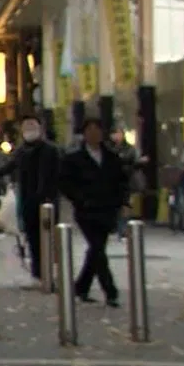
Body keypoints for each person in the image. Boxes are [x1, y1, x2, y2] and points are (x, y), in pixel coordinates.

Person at [59, 118, 129, 308]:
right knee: (97, 248)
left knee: (96, 250)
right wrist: (79, 198)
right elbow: (64, 183)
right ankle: (110, 291)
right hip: (86, 210)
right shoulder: (74, 159)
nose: (93, 134)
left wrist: (123, 202)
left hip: (107, 209)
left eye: (97, 130)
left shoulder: (112, 158)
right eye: (89, 130)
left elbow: (122, 181)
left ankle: (81, 287)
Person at [0, 115, 61, 285]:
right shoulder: (21, 151)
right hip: (28, 202)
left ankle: (50, 273)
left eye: (32, 127)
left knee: (48, 240)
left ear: (40, 128)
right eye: (26, 127)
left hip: (47, 204)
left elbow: (59, 175)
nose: (29, 131)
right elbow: (9, 166)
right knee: (33, 239)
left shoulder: (51, 150)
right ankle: (38, 274)